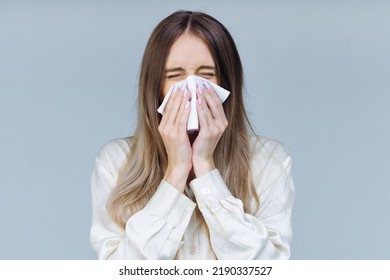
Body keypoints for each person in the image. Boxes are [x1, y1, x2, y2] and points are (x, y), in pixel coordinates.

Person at [90, 10, 295, 260]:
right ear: (156, 87)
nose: (191, 88)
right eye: (175, 75)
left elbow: (267, 268)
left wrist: (206, 169)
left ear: (227, 82)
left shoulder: (269, 161)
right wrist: (175, 172)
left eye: (206, 74)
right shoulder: (115, 162)